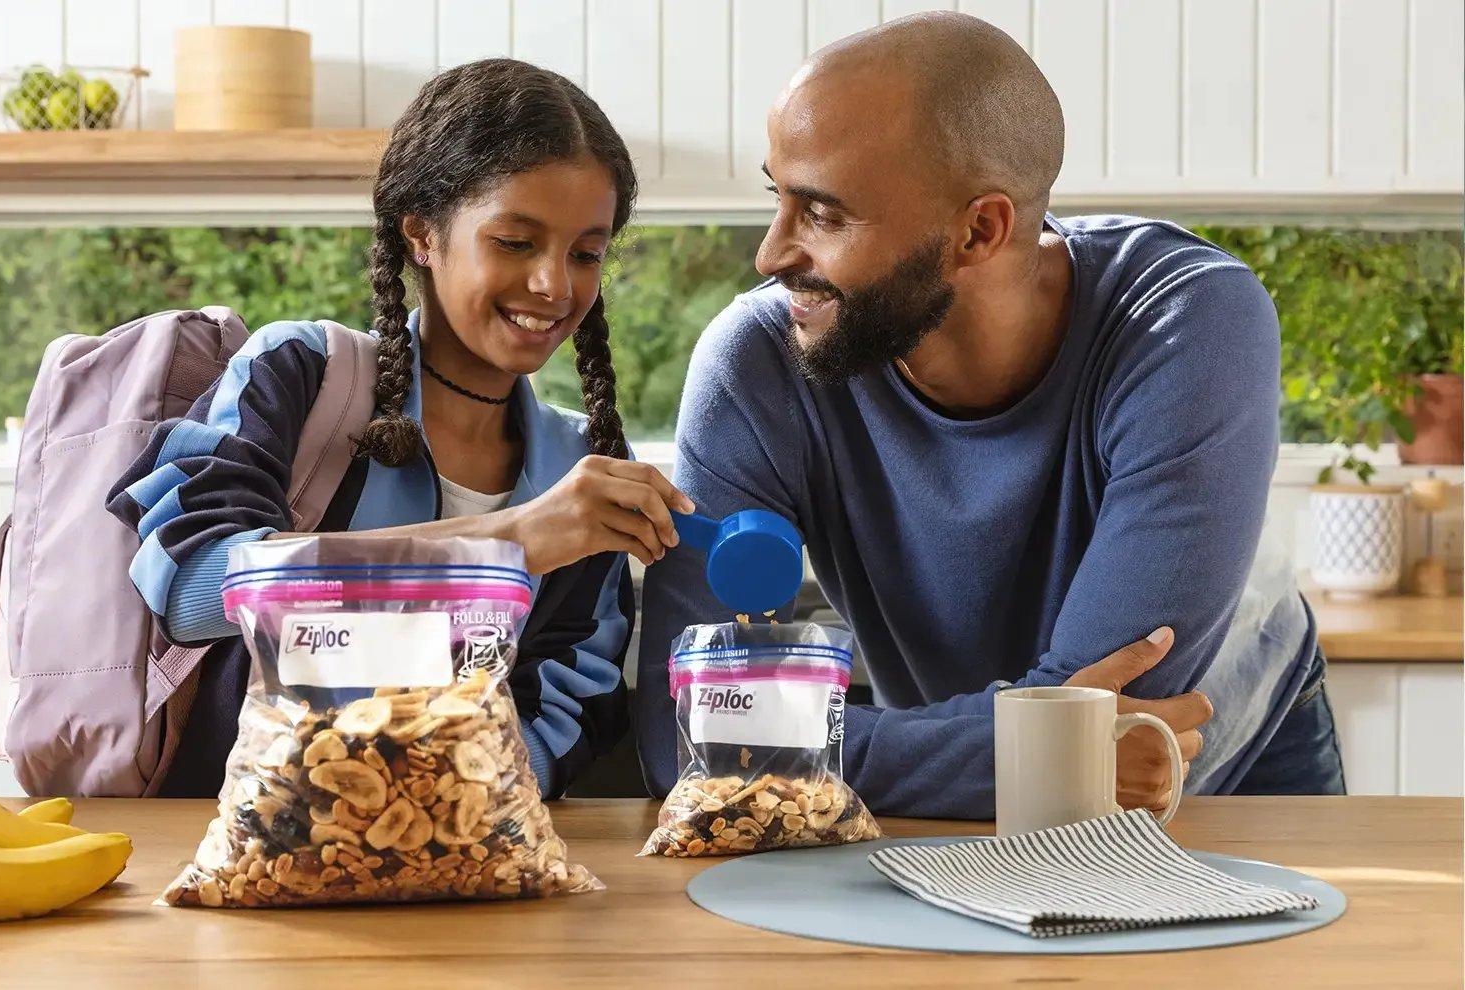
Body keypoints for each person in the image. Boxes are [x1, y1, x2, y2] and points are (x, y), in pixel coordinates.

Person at [637, 12, 1342, 819]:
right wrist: (1031, 753)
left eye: (824, 214)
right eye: (778, 198)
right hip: (976, 784)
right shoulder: (758, 363)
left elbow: (1133, 711)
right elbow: (687, 734)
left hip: (1224, 761)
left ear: (980, 229)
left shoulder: (1187, 323)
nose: (769, 254)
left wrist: (803, 745)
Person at [110, 59, 692, 799]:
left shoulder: (584, 463)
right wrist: (511, 542)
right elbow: (191, 591)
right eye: (516, 242)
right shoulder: (303, 374)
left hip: (458, 849)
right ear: (422, 232)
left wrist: (447, 804)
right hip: (248, 847)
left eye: (586, 252)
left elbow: (569, 705)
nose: (555, 285)